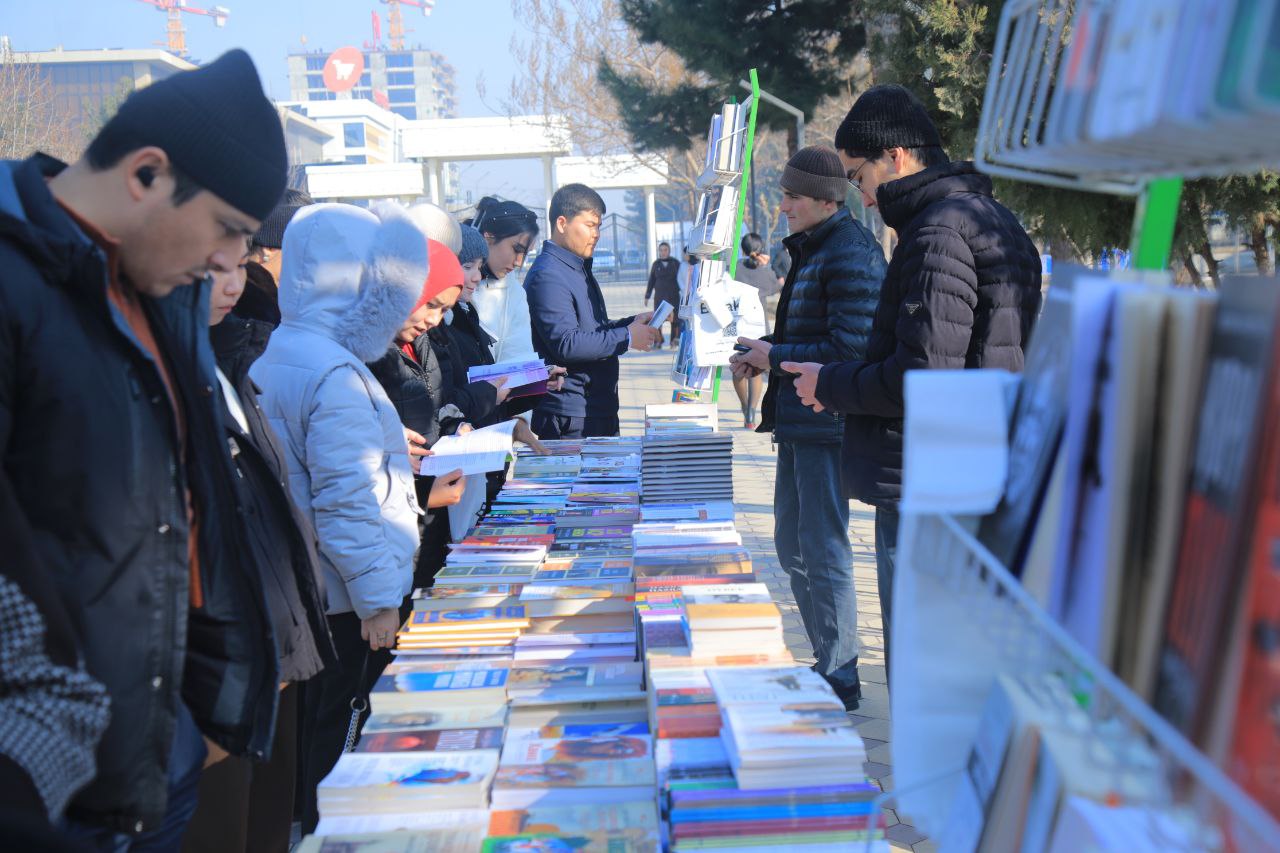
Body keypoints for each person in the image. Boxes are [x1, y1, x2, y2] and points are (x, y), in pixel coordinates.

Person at [0, 49, 288, 847]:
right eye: (228, 229)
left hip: (158, 752)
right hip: (47, 789)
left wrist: (206, 706)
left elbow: (191, 516)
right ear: (147, 174)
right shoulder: (16, 286)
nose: (233, 261)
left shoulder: (160, 293)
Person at [786, 84, 1044, 678]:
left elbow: (923, 377)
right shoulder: (987, 218)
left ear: (895, 157)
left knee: (923, 670)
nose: (863, 198)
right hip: (978, 475)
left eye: (857, 177)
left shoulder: (937, 234)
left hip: (931, 484)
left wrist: (830, 384)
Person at [249, 202, 431, 833]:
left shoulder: (281, 351)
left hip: (310, 589)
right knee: (342, 732)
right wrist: (380, 600)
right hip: (347, 598)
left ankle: (308, 825)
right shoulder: (335, 372)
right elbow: (346, 499)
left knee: (313, 733)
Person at [184, 259, 336, 853]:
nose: (232, 282)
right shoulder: (166, 370)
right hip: (217, 667)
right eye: (210, 264)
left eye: (237, 261)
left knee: (268, 825)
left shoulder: (234, 361)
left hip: (276, 643)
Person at [730, 146, 885, 711]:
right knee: (792, 543)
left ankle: (843, 671)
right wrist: (763, 356)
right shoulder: (814, 248)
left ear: (827, 198)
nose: (785, 205)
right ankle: (827, 657)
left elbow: (850, 349)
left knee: (822, 547)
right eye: (784, 194)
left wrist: (775, 355)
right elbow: (808, 337)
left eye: (794, 196)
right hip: (798, 420)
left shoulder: (850, 252)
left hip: (828, 421)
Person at [365, 237, 474, 589]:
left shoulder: (423, 340)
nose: (433, 319)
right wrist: (423, 495)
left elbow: (437, 404)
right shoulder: (365, 353)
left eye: (444, 310)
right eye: (430, 304)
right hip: (396, 517)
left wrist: (457, 426)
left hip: (430, 508)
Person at [525, 183, 661, 439]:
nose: (596, 234)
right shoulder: (549, 275)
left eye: (598, 226)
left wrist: (632, 323)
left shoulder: (576, 267)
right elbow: (567, 343)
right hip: (571, 414)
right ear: (562, 223)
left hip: (595, 406)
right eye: (589, 225)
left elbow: (591, 329)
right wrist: (628, 337)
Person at [466, 196, 542, 363]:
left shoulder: (514, 293)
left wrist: (537, 376)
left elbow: (517, 356)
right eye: (516, 249)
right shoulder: (449, 284)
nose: (519, 262)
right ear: (488, 237)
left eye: (525, 253)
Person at [732, 232, 782, 428]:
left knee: (738, 368)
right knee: (757, 371)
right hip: (760, 325)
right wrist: (766, 266)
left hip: (738, 325)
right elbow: (777, 286)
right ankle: (752, 414)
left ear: (743, 249)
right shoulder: (765, 272)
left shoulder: (735, 269)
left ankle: (745, 407)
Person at [644, 241, 682, 348]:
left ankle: (674, 341)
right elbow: (651, 280)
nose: (663, 252)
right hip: (660, 297)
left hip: (673, 296)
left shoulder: (675, 263)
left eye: (665, 250)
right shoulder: (656, 264)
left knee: (674, 321)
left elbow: (682, 279)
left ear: (669, 251)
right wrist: (647, 296)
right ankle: (658, 341)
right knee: (658, 320)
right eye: (661, 250)